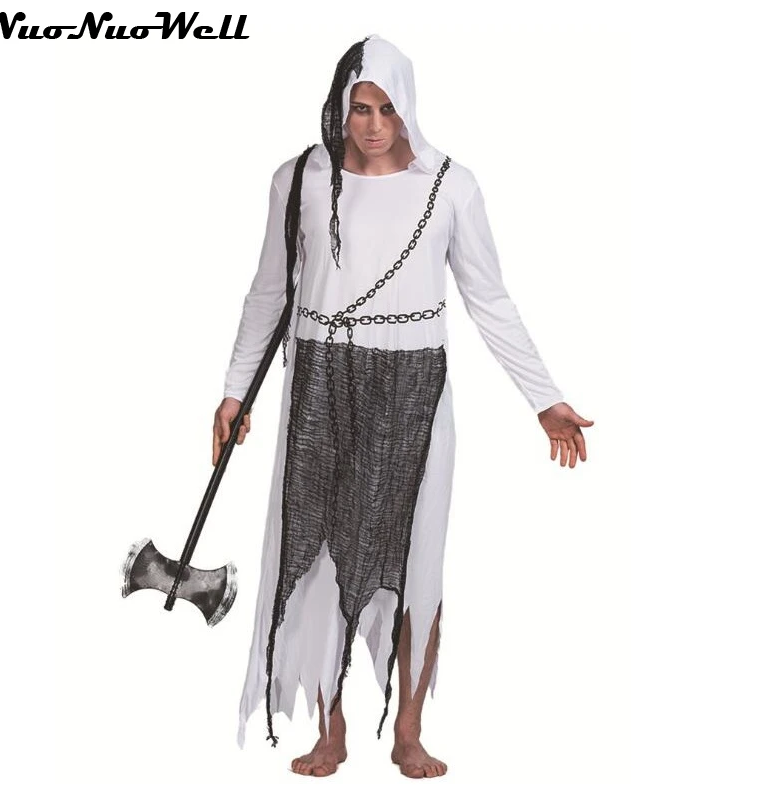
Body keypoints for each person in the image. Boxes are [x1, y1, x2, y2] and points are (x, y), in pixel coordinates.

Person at [213, 34, 593, 779]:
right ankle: (331, 729)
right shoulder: (300, 179)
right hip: (319, 383)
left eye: (387, 108)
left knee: (416, 561)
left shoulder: (450, 186)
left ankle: (409, 729)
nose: (374, 125)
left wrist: (544, 399)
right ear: (339, 106)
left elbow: (489, 299)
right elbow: (268, 292)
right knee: (315, 558)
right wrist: (234, 390)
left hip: (414, 392)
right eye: (360, 108)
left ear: (408, 105)